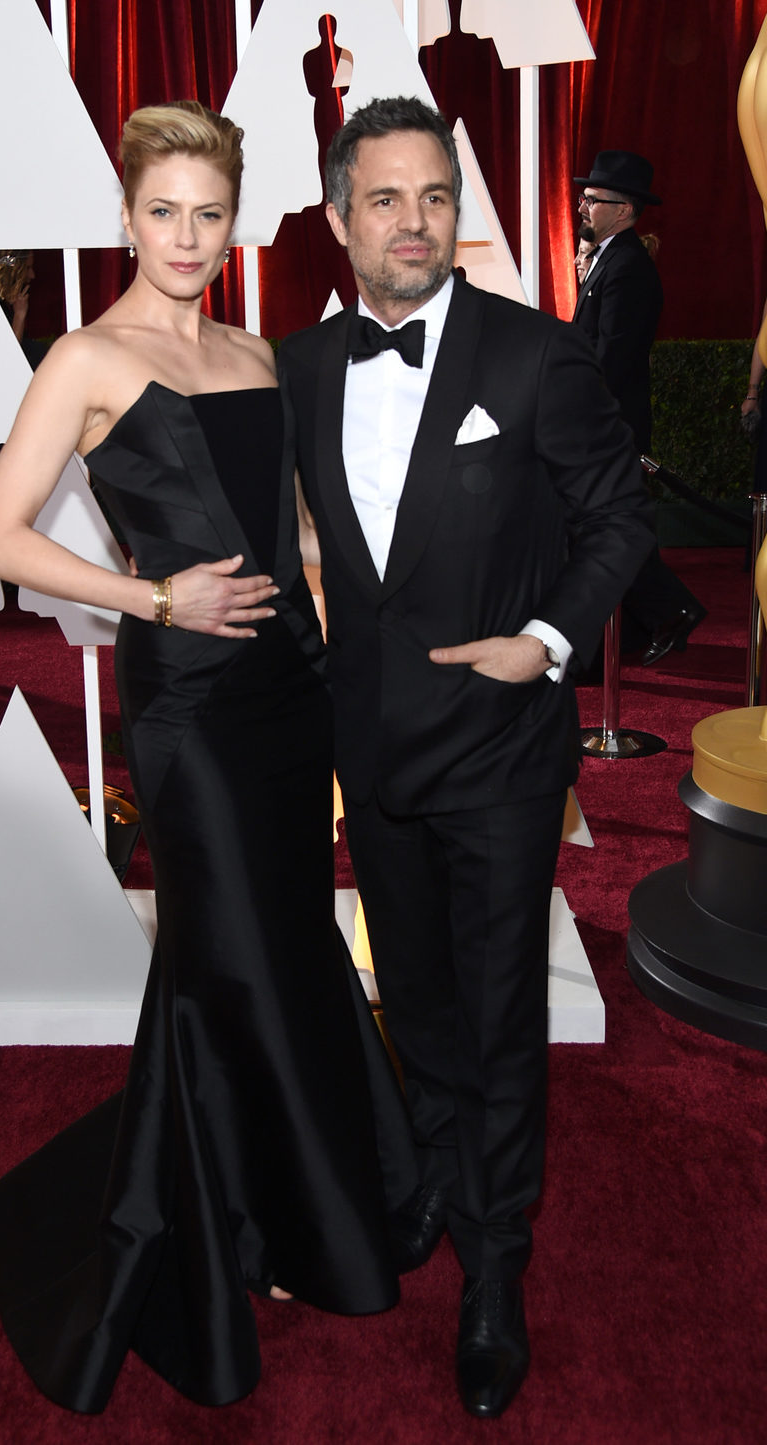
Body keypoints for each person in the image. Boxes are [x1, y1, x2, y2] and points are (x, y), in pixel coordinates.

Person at [0, 101, 418, 1414]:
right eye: (161, 210)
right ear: (125, 216)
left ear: (237, 220)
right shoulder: (85, 360)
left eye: (207, 213)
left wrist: (331, 601)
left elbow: (289, 527)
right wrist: (151, 598)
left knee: (280, 945)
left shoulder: (250, 348)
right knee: (229, 958)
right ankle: (242, 1232)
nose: (184, 234)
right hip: (189, 712)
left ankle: (287, 1203)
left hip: (292, 695)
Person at [278, 97, 654, 1419]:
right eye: (384, 198)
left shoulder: (534, 356)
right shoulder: (307, 366)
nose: (413, 220)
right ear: (339, 218)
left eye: (434, 194)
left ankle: (498, 1269)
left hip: (499, 755)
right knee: (419, 1002)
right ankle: (432, 1181)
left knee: (500, 1025)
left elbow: (620, 517)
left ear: (459, 207)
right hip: (373, 755)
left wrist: (546, 639)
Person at [572, 150, 706, 664]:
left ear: (624, 210)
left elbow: (612, 358)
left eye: (593, 199)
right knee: (606, 528)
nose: (582, 206)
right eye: (583, 197)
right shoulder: (611, 258)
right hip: (605, 423)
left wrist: (573, 406)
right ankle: (639, 626)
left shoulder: (627, 267)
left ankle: (672, 609)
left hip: (611, 427)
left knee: (608, 529)